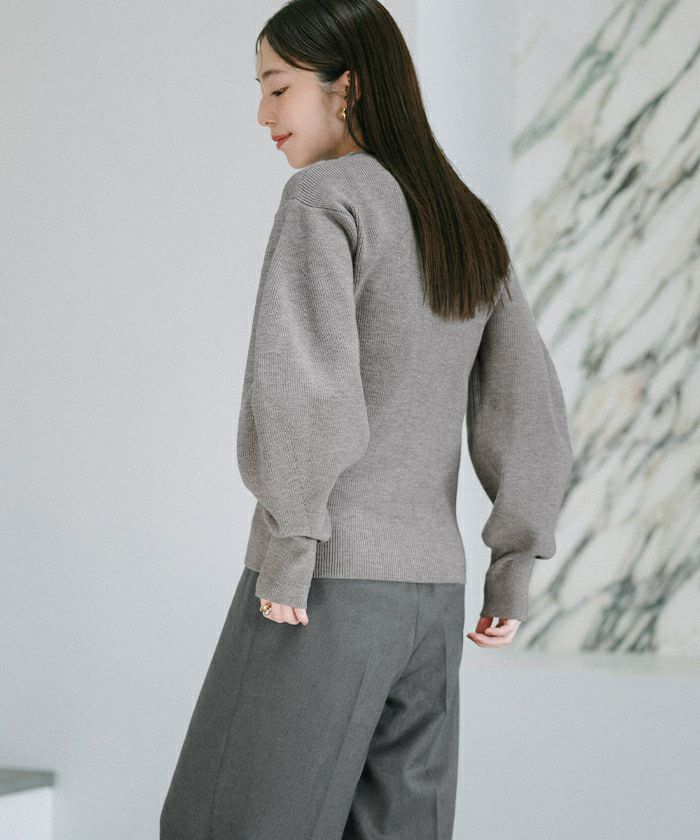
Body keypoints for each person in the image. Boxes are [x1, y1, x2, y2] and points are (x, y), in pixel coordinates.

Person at [160, 1, 574, 838]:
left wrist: (292, 549)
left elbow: (304, 388)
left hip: (324, 584)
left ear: (344, 87)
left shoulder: (325, 198)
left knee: (226, 824)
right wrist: (512, 566)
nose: (263, 114)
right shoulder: (464, 218)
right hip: (432, 601)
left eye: (278, 86)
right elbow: (527, 406)